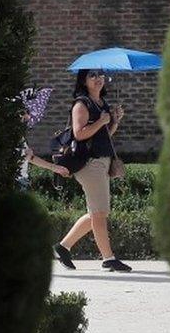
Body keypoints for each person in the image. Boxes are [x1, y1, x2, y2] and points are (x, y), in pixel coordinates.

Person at [52, 69, 132, 272]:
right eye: (92, 76)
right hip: (89, 164)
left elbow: (104, 135)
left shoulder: (102, 104)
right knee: (99, 213)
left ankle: (63, 247)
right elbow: (79, 134)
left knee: (97, 212)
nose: (98, 79)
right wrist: (101, 121)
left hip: (102, 162)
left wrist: (114, 121)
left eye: (101, 75)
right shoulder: (81, 104)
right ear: (84, 81)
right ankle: (108, 258)